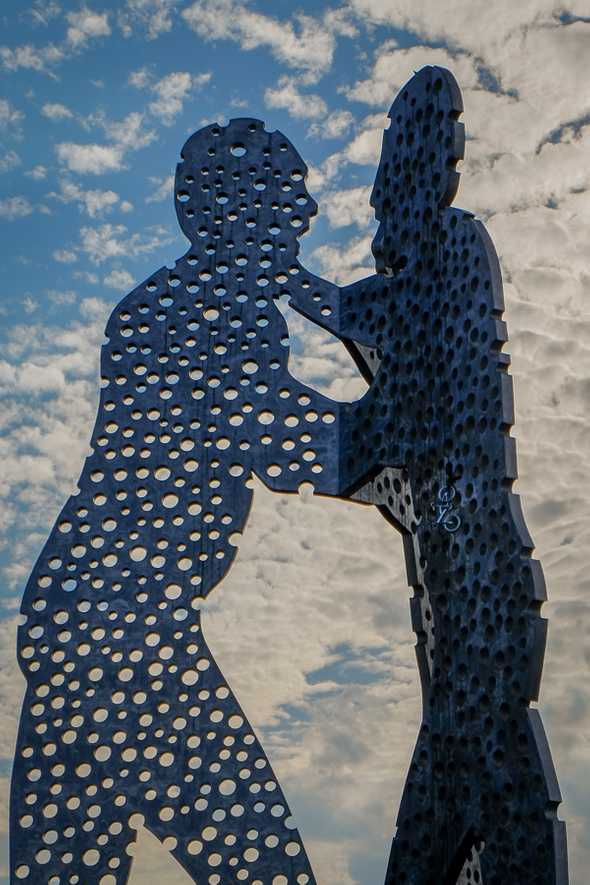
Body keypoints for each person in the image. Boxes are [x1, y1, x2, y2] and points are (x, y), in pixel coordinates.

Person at [10, 117, 382, 885]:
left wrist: (324, 300)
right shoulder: (198, 314)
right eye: (288, 200)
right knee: (266, 869)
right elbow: (304, 450)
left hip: (83, 627)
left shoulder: (186, 301)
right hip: (126, 639)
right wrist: (416, 400)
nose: (305, 216)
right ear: (234, 212)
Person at [289, 65, 568, 885]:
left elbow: (380, 399)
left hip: (484, 620)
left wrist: (282, 282)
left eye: (385, 192)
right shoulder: (433, 277)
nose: (378, 215)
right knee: (503, 808)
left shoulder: (449, 254)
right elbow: (375, 364)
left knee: (452, 795)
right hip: (471, 626)